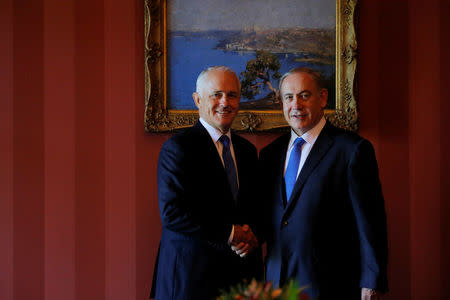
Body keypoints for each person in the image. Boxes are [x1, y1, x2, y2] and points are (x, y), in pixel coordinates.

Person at [258, 67, 388, 300]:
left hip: (330, 283)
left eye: (304, 95)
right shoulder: (270, 154)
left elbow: (371, 223)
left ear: (323, 98)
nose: (296, 104)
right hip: (277, 282)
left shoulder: (351, 150)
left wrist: (371, 280)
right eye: (289, 97)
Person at [150, 66, 262, 300]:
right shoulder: (178, 148)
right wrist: (231, 233)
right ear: (197, 100)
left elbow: (253, 208)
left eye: (232, 95)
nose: (225, 102)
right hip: (190, 280)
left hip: (241, 282)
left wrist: (253, 235)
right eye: (216, 94)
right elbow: (172, 213)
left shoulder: (247, 151)